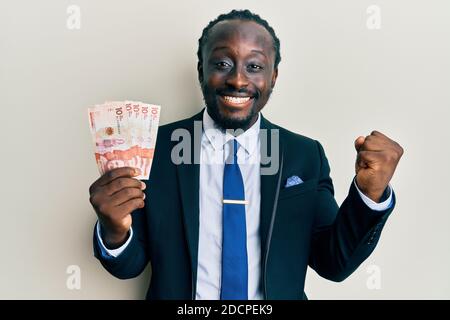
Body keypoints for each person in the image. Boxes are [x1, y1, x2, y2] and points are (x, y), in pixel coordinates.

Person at [88, 9, 403, 300]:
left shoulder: (304, 155)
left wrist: (369, 195)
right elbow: (128, 266)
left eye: (254, 66)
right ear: (201, 70)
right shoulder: (154, 148)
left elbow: (333, 262)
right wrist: (114, 229)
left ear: (273, 77)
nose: (238, 80)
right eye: (222, 63)